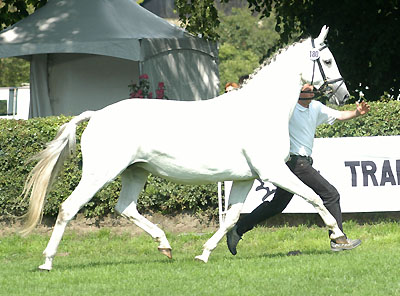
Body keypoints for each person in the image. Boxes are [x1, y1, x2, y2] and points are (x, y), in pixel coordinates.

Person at [227, 84, 371, 255]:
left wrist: (356, 113)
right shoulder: (289, 109)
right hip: (296, 163)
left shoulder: (316, 107)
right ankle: (338, 239)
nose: (311, 91)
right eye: (306, 89)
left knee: (277, 205)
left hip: (300, 163)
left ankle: (238, 229)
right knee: (330, 194)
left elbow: (339, 115)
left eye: (311, 89)